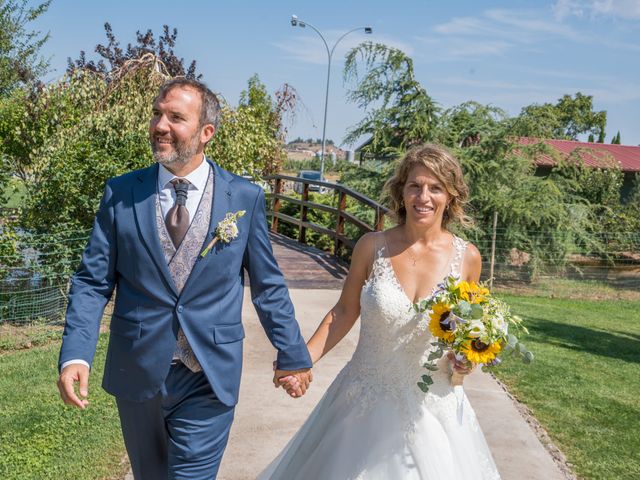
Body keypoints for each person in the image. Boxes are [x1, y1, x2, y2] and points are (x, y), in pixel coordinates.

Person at [56, 77, 313, 480]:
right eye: (158, 114)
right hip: (137, 370)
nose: (160, 125)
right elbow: (92, 282)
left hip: (209, 375)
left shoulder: (243, 198)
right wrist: (75, 354)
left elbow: (268, 286)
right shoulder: (121, 193)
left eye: (176, 117)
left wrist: (292, 352)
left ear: (206, 132)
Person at [265, 144, 501, 479]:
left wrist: (465, 361)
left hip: (432, 405)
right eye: (415, 185)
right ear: (401, 191)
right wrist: (300, 361)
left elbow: (467, 336)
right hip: (361, 401)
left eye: (436, 188)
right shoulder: (371, 246)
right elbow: (344, 312)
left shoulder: (469, 258)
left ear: (451, 196)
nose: (424, 197)